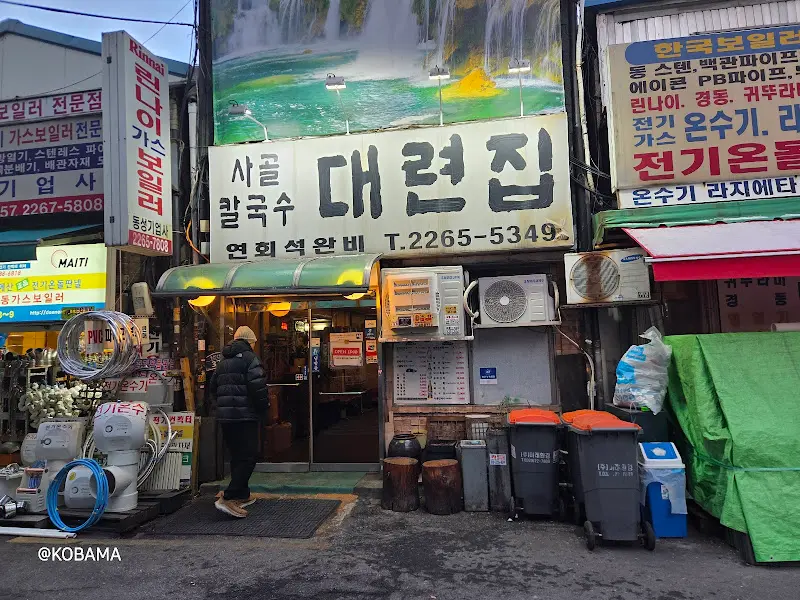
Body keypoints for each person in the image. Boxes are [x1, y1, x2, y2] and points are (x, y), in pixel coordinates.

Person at [208, 326, 269, 518]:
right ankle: (229, 496)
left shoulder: (223, 362)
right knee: (249, 455)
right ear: (250, 342)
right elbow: (258, 388)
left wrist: (222, 407)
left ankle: (242, 493)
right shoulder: (251, 359)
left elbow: (213, 388)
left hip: (226, 418)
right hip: (245, 416)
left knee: (237, 455)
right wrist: (263, 410)